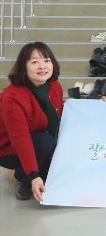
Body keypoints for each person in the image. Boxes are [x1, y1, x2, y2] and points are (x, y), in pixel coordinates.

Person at [0, 42, 63, 201]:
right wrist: (33, 176)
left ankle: (34, 171)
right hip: (9, 148)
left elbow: (51, 115)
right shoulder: (13, 97)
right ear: (24, 67)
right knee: (44, 142)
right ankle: (24, 179)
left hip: (40, 141)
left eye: (46, 60)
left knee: (57, 174)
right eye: (35, 62)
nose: (42, 66)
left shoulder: (54, 86)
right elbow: (20, 139)